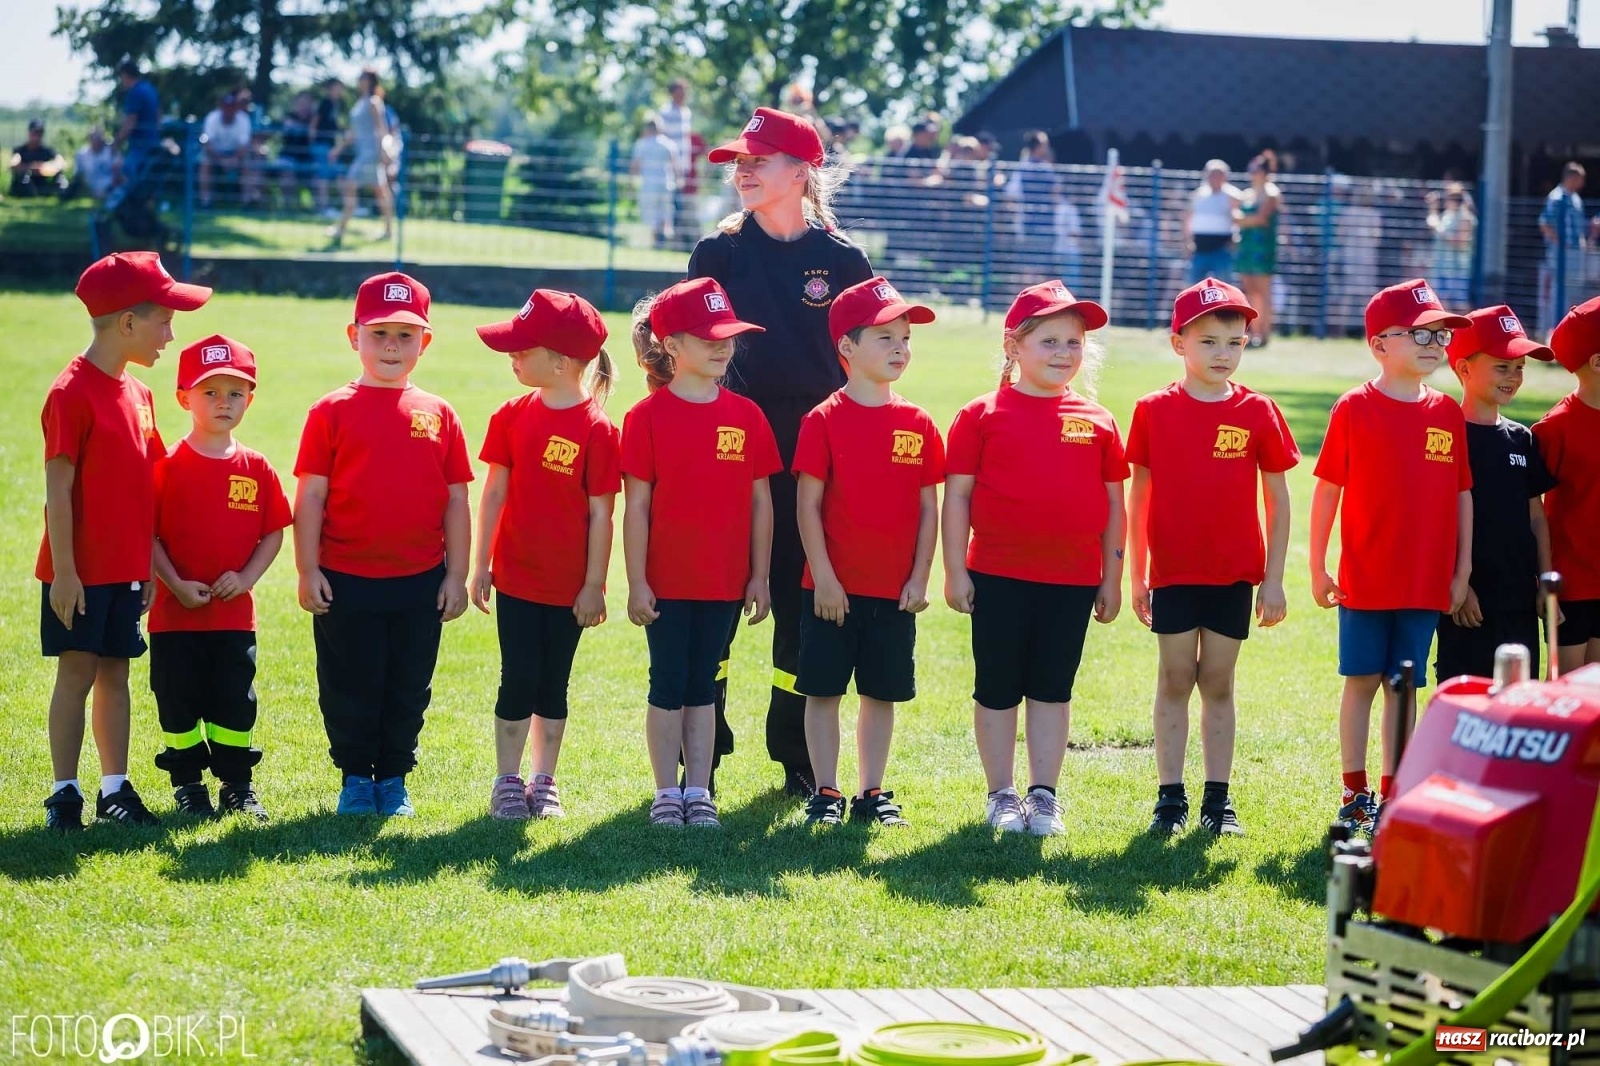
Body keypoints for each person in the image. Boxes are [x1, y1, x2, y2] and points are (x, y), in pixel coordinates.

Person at [687, 107, 873, 798]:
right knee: (714, 595)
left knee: (799, 602)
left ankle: (795, 753)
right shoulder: (719, 254)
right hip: (728, 445)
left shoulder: (845, 261)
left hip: (814, 451)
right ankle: (703, 747)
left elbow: (870, 363)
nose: (742, 169)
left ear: (801, 173)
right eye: (739, 160)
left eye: (757, 160)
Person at [942, 281, 1129, 836]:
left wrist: (1112, 577)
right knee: (997, 688)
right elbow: (956, 498)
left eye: (1072, 342)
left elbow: (1116, 506)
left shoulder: (1097, 419)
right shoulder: (981, 414)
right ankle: (1000, 794)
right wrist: (955, 569)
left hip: (1071, 581)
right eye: (1048, 340)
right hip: (997, 575)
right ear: (1013, 346)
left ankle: (1044, 794)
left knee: (1052, 688)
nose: (1062, 353)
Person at [39, 252, 213, 831]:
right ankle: (66, 792)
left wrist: (146, 566)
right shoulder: (71, 393)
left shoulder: (139, 395)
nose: (171, 334)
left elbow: (144, 488)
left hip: (126, 571)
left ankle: (116, 788)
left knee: (117, 673)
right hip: (78, 573)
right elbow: (57, 492)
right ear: (127, 324)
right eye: (164, 321)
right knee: (77, 671)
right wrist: (65, 572)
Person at [292, 272, 473, 817]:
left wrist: (455, 574)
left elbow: (457, 502)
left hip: (419, 579)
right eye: (379, 334)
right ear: (354, 336)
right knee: (349, 683)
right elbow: (311, 498)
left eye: (405, 335)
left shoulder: (439, 413)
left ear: (425, 342)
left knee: (407, 685)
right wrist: (307, 570)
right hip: (345, 577)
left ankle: (393, 777)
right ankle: (355, 778)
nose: (391, 346)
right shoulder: (330, 411)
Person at [1126, 278, 1298, 837]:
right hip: (1174, 572)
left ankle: (1217, 803)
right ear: (1179, 344)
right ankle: (1169, 799)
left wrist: (1273, 580)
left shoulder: (1258, 411)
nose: (1223, 353)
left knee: (1218, 682)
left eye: (1235, 342)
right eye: (1208, 342)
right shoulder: (1153, 410)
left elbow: (1277, 497)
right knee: (1175, 678)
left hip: (1233, 574)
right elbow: (1139, 496)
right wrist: (1137, 575)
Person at [1310, 279, 1472, 834]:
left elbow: (1461, 495)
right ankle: (1354, 793)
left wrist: (1462, 570)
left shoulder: (1448, 413)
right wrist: (1317, 566)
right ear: (1379, 344)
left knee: (1404, 685)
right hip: (1366, 577)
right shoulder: (1354, 407)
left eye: (1440, 334)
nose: (1434, 343)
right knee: (1361, 681)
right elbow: (1328, 490)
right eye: (1419, 333)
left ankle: (1394, 792)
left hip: (1426, 580)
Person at [622, 278, 779, 828]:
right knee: (667, 684)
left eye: (729, 336)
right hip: (665, 582)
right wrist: (637, 581)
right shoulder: (644, 418)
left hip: (724, 583)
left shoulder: (748, 416)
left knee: (704, 686)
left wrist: (759, 576)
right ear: (671, 346)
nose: (722, 346)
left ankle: (699, 790)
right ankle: (667, 792)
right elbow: (635, 508)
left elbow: (762, 504)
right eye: (707, 336)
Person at [794, 278, 943, 827]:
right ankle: (827, 793)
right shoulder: (823, 420)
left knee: (881, 694)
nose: (900, 347)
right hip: (832, 591)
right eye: (885, 337)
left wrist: (920, 576)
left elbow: (929, 509)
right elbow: (807, 507)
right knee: (825, 691)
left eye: (905, 337)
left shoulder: (919, 423)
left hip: (894, 591)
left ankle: (872, 792)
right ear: (847, 348)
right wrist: (826, 579)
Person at [471, 290, 620, 820]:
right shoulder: (510, 416)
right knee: (517, 677)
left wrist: (593, 585)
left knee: (553, 681)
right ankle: (507, 782)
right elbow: (492, 495)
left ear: (559, 362)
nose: (511, 356)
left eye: (521, 349)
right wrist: (480, 564)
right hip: (514, 579)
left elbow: (602, 515)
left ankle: (544, 781)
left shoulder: (599, 430)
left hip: (568, 588)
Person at [148, 335, 290, 821]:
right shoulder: (164, 466)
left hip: (233, 620)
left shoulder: (257, 467)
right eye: (210, 392)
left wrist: (247, 577)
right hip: (174, 618)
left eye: (235, 392)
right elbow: (147, 536)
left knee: (235, 704)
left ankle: (236, 785)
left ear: (250, 399)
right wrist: (174, 584)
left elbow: (273, 532)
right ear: (183, 398)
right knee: (177, 703)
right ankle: (187, 785)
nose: (223, 402)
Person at [1434, 308, 1555, 682]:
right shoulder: (1444, 435)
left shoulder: (1523, 438)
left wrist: (1544, 581)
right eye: (1502, 367)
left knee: (1519, 695)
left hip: (1518, 596)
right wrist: (1458, 584)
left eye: (1520, 368)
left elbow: (1536, 516)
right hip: (1467, 598)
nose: (1514, 377)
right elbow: (1435, 518)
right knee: (1464, 694)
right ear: (1464, 369)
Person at [1535, 297, 1600, 672]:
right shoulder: (1553, 429)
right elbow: (1530, 510)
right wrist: (1543, 582)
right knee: (1566, 688)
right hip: (1570, 585)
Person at [326, 68, 394, 247]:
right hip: (363, 153)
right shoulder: (360, 102)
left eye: (363, 77)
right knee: (381, 191)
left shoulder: (373, 102)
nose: (359, 80)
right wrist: (337, 150)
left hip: (371, 154)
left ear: (371, 81)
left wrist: (384, 152)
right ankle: (388, 230)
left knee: (351, 185)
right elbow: (353, 132)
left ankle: (341, 228)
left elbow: (382, 129)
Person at [1234, 151, 1281, 348]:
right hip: (1246, 247)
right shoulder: (1248, 194)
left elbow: (1261, 219)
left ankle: (1265, 334)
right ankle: (1254, 333)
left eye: (1255, 170)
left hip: (1262, 248)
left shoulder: (1271, 193)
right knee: (1250, 291)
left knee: (1263, 292)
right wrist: (1243, 220)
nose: (1251, 173)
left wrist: (1239, 219)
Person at [1539, 163, 1587, 341]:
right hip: (1561, 255)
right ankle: (1555, 333)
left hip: (1575, 254)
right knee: (1559, 293)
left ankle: (1569, 332)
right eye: (1581, 178)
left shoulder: (1575, 198)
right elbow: (1544, 223)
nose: (1583, 183)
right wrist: (1561, 246)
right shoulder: (1557, 197)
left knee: (1573, 293)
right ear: (1571, 177)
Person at [1183, 160, 1240, 285]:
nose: (1214, 178)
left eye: (1218, 174)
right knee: (1191, 286)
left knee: (1224, 287)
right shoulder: (1198, 195)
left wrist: (1236, 239)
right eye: (1211, 174)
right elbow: (1188, 219)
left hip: (1222, 249)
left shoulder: (1232, 195)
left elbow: (1240, 219)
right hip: (1199, 249)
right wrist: (1187, 242)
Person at [199, 92, 258, 208]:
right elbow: (207, 143)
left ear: (236, 108)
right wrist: (221, 160)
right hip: (215, 154)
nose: (229, 110)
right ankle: (205, 201)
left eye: (232, 106)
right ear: (221, 107)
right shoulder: (212, 118)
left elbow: (244, 144)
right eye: (226, 106)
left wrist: (234, 158)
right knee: (205, 164)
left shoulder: (243, 119)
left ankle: (246, 202)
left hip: (236, 154)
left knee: (248, 164)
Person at [630, 116, 680, 247]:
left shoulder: (641, 144)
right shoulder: (668, 144)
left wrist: (632, 181)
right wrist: (678, 180)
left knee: (652, 212)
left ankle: (656, 240)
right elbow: (675, 164)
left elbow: (635, 165)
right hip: (665, 183)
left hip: (649, 184)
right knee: (665, 211)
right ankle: (664, 240)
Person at [1426, 183, 1476, 312]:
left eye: (1450, 197)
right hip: (1442, 267)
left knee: (1460, 305)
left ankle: (1470, 330)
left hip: (1458, 269)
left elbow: (1460, 241)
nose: (1447, 200)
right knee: (1442, 304)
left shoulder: (1466, 217)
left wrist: (1438, 228)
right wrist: (1433, 209)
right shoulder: (1447, 215)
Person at [113, 58, 161, 187]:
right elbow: (159, 116)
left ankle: (130, 205)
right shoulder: (150, 89)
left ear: (125, 75)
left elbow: (130, 123)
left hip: (140, 145)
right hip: (153, 141)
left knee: (126, 173)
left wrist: (117, 142)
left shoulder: (135, 93)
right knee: (146, 179)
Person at [310, 77, 346, 214]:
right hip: (321, 144)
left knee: (338, 174)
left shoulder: (335, 104)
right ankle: (324, 207)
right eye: (337, 88)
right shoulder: (325, 103)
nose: (340, 91)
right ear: (330, 89)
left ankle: (348, 206)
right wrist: (312, 141)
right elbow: (315, 121)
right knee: (323, 176)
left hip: (329, 146)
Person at [10, 119, 68, 198]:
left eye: (39, 133)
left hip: (42, 182)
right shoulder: (20, 150)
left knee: (60, 177)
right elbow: (13, 164)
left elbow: (61, 162)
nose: (37, 136)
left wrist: (47, 167)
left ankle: (63, 194)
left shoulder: (47, 150)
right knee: (24, 178)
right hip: (26, 183)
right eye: (34, 133)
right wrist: (31, 167)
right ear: (29, 133)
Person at [73, 127, 117, 202]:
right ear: (89, 139)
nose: (96, 141)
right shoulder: (81, 154)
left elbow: (119, 171)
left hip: (111, 186)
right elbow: (78, 175)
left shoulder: (111, 152)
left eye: (98, 138)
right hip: (92, 187)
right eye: (94, 138)